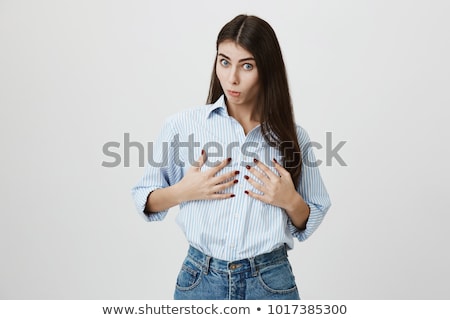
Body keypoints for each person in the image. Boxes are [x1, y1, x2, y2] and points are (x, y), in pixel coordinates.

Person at [131, 14, 331, 300]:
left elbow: (310, 215)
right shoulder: (183, 126)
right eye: (224, 62)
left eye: (246, 66)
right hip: (200, 280)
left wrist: (290, 200)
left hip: (270, 280)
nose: (232, 77)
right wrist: (183, 191)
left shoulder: (293, 137)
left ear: (267, 69)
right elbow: (144, 198)